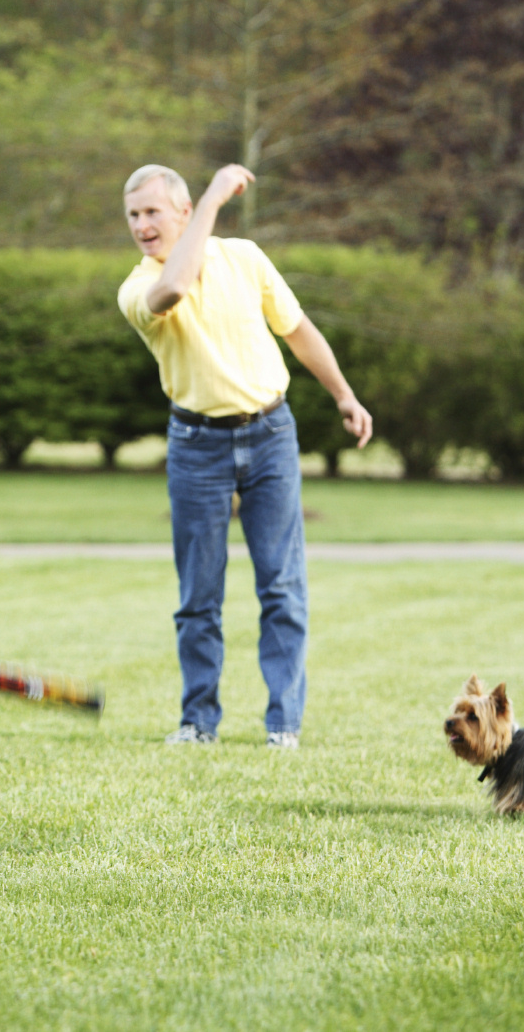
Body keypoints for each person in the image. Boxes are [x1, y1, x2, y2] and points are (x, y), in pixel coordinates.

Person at [118, 164, 373, 749]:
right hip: (195, 447)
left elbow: (299, 330)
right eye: (133, 215)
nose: (141, 225)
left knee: (282, 586)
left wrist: (344, 394)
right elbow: (175, 289)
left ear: (181, 212)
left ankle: (283, 724)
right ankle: (198, 722)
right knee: (198, 596)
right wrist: (212, 197)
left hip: (270, 436)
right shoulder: (138, 287)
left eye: (153, 212)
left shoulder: (246, 258)